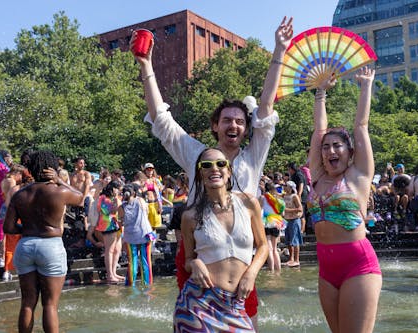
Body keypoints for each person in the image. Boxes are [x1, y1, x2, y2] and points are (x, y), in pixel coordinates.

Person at [131, 16, 293, 327]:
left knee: (248, 322)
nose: (233, 124)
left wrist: (279, 51)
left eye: (240, 121)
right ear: (215, 126)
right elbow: (161, 120)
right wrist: (145, 65)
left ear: (246, 129)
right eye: (226, 120)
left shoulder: (252, 157)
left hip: (242, 254)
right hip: (199, 250)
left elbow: (266, 105)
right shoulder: (196, 154)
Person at [307, 67, 382, 332]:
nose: (330, 151)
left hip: (358, 265)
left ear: (349, 152)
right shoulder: (316, 176)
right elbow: (319, 131)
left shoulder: (358, 176)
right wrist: (320, 92)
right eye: (326, 147)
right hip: (327, 269)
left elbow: (361, 126)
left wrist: (365, 86)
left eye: (337, 145)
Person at [174, 148, 268, 331]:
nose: (214, 169)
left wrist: (251, 274)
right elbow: (187, 260)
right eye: (207, 165)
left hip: (236, 303)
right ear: (200, 174)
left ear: (229, 170)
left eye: (220, 163)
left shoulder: (249, 203)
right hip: (199, 304)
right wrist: (193, 264)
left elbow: (263, 245)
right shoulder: (190, 216)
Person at [2, 150, 83, 333]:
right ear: (52, 168)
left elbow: (8, 228)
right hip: (51, 247)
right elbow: (80, 198)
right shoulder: (60, 191)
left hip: (26, 246)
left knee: (28, 302)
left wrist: (29, 229)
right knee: (50, 305)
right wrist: (60, 180)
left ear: (30, 168)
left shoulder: (20, 195)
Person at [119, 184, 155, 287]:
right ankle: (147, 284)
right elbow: (147, 212)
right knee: (146, 261)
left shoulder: (121, 207)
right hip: (145, 234)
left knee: (132, 262)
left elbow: (121, 222)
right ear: (134, 193)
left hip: (130, 237)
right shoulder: (141, 201)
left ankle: (130, 285)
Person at [95, 180, 123, 283]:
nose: (119, 192)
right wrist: (116, 199)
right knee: (109, 250)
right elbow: (110, 211)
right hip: (107, 225)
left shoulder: (114, 198)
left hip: (115, 224)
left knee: (116, 250)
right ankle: (110, 275)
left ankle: (114, 272)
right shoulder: (103, 197)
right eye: (118, 190)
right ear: (113, 188)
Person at [261, 181, 285, 272]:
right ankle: (278, 270)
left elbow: (259, 210)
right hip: (277, 223)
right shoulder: (279, 199)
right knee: (275, 249)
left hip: (266, 222)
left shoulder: (263, 198)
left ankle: (271, 270)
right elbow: (282, 213)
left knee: (269, 249)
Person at [283, 180, 303, 267]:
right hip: (286, 220)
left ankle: (297, 260)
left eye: (286, 185)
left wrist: (288, 210)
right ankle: (291, 259)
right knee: (288, 240)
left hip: (294, 220)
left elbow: (300, 208)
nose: (284, 187)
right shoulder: (284, 196)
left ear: (291, 188)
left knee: (295, 240)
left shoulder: (294, 196)